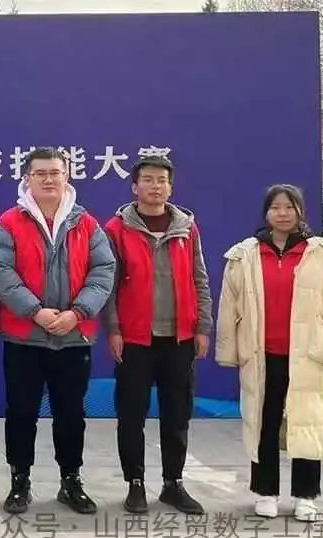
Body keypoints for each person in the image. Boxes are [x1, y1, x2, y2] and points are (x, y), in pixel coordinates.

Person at [0, 147, 115, 516]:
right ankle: (19, 480)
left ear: (66, 177)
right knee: (21, 412)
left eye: (54, 173)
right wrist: (36, 312)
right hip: (25, 337)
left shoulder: (86, 224)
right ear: (27, 178)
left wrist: (78, 313)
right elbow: (2, 273)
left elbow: (103, 271)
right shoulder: (9, 222)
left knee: (71, 413)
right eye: (40, 173)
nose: (48, 179)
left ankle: (70, 480)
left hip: (74, 337)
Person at [215, 184, 323, 522]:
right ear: (266, 212)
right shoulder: (245, 256)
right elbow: (229, 306)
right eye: (276, 207)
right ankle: (266, 492)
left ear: (300, 211)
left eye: (289, 207)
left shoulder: (322, 255)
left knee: (307, 424)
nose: (282, 213)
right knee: (264, 424)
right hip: (263, 356)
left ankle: (306, 495)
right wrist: (228, 350)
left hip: (308, 357)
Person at [102, 155, 212, 515]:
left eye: (162, 180)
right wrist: (114, 329)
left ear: (171, 187)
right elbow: (108, 285)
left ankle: (173, 483)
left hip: (179, 338)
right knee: (131, 414)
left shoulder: (187, 228)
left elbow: (200, 279)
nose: (155, 186)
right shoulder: (116, 229)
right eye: (147, 180)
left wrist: (202, 326)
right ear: (135, 187)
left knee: (177, 413)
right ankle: (134, 483)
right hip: (135, 338)